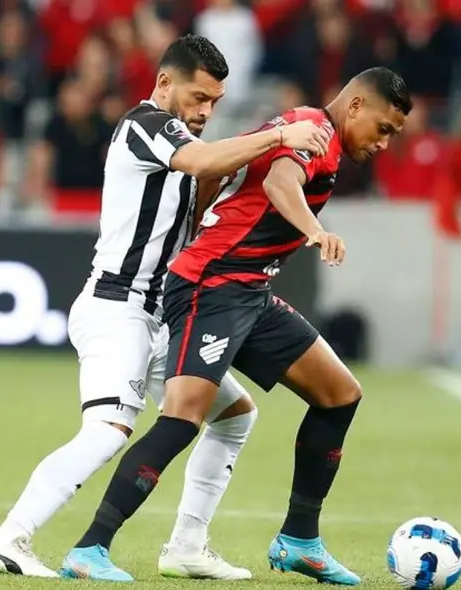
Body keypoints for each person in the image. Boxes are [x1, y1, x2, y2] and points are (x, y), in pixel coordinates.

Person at [0, 34, 331, 579]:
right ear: (164, 83)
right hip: (117, 307)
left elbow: (208, 175)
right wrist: (279, 134)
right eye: (198, 97)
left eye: (214, 101)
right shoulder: (146, 125)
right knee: (107, 430)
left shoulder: (183, 140)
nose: (205, 111)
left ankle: (188, 545)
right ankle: (8, 539)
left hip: (160, 315)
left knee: (234, 416)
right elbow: (204, 159)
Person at [60, 66, 411, 585]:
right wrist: (315, 231)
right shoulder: (313, 129)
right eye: (384, 128)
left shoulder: (312, 132)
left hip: (248, 290)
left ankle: (299, 540)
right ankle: (89, 549)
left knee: (339, 393)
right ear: (356, 106)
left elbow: (215, 174)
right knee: (183, 417)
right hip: (212, 286)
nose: (384, 143)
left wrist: (208, 219)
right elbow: (279, 180)